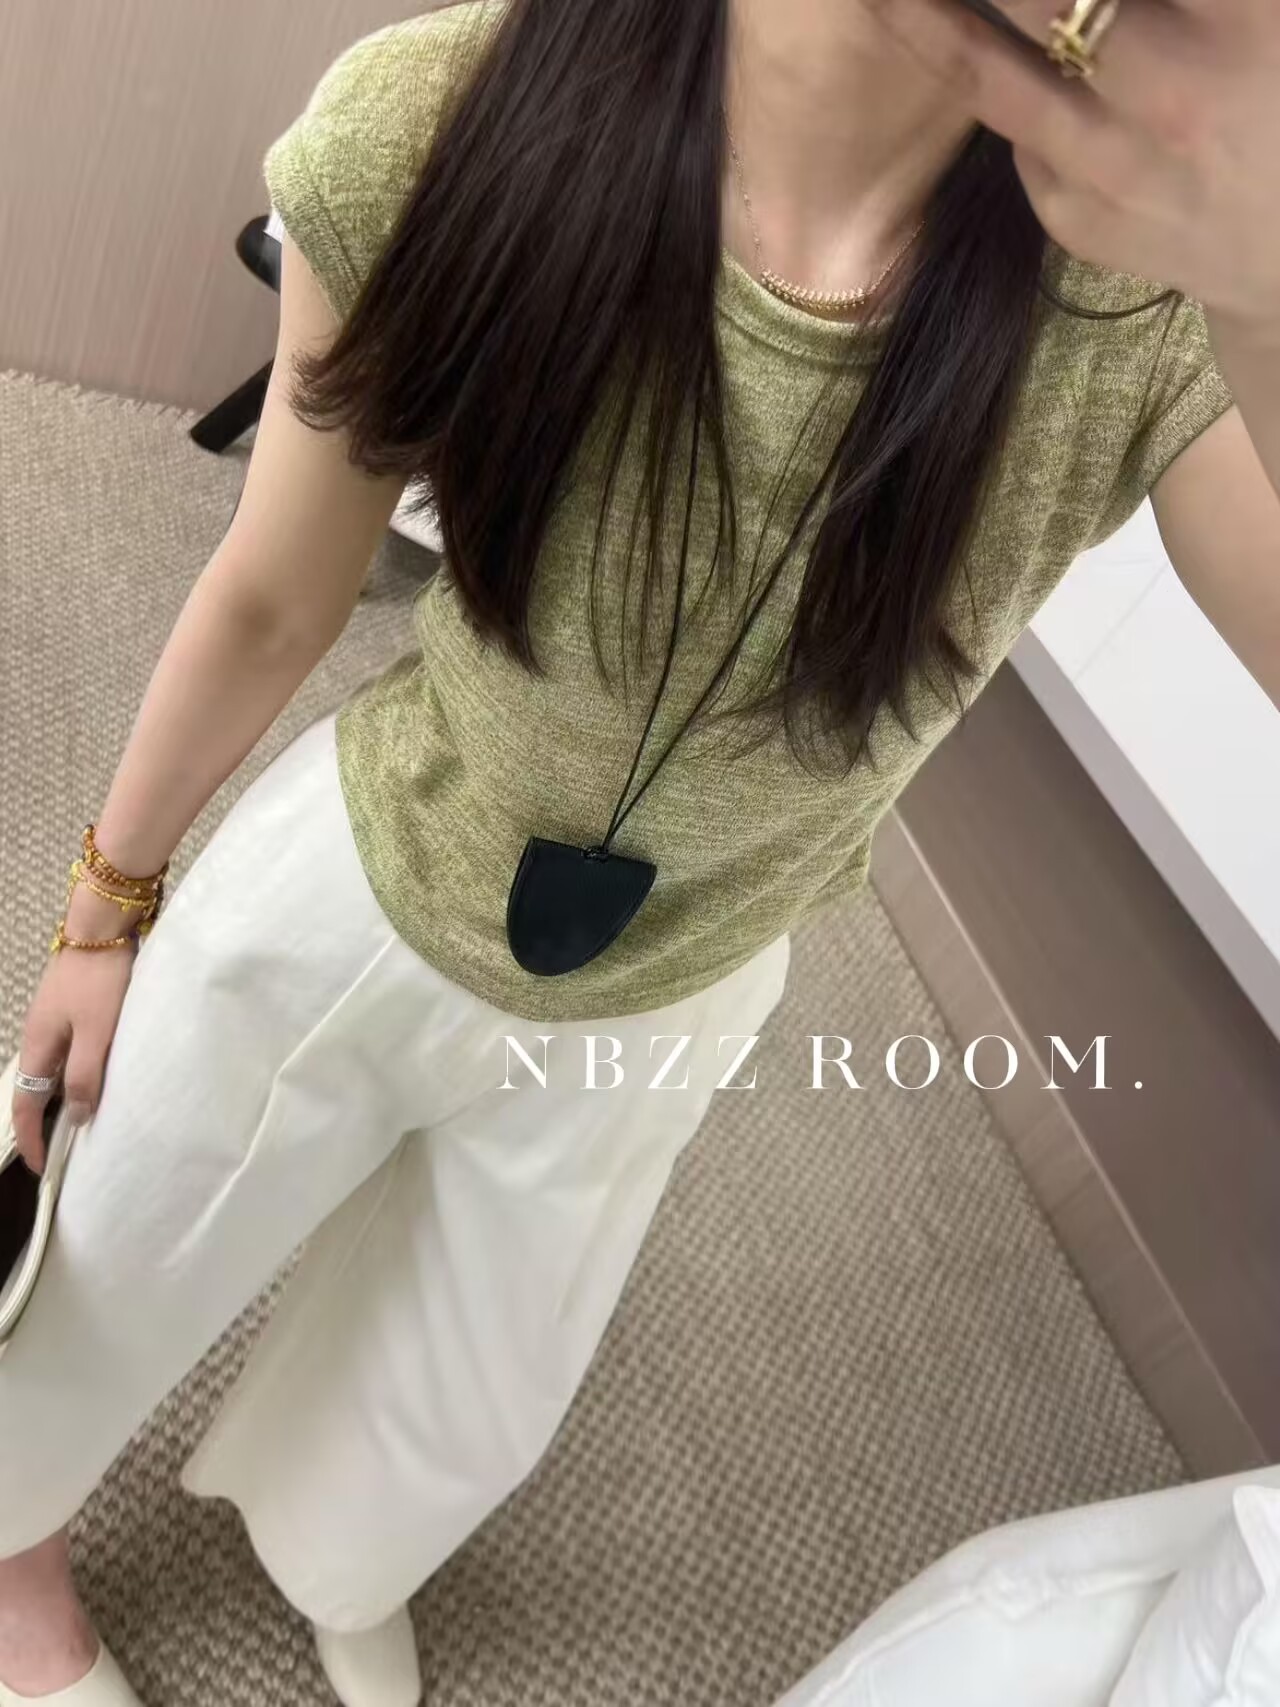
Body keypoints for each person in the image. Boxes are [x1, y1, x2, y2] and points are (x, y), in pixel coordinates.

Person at [3, 0, 1279, 1702]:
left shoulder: (1144, 302)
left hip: (684, 986)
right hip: (381, 872)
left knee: (466, 1389)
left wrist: (1262, 274)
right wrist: (107, 908)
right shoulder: (437, 116)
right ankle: (8, 1545)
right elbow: (271, 591)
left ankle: (329, 1551)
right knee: (117, 1234)